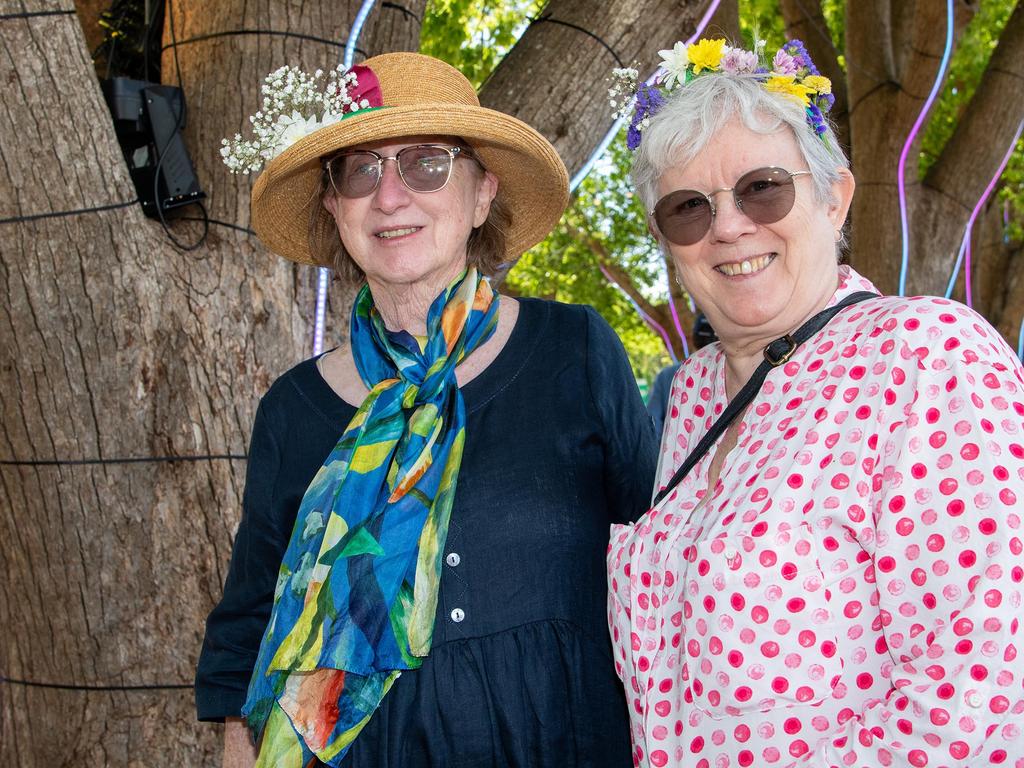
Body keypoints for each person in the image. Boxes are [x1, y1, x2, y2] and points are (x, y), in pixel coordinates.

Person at [197, 52, 657, 768]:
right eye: (360, 171)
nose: (389, 197)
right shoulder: (292, 409)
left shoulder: (576, 350)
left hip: (563, 736)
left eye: (427, 165)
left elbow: (662, 558)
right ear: (334, 207)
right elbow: (250, 611)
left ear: (481, 196)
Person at [606, 37, 1024, 767]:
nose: (729, 226)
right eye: (688, 209)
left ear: (834, 198)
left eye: (763, 187)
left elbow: (979, 691)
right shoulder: (691, 394)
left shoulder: (924, 353)